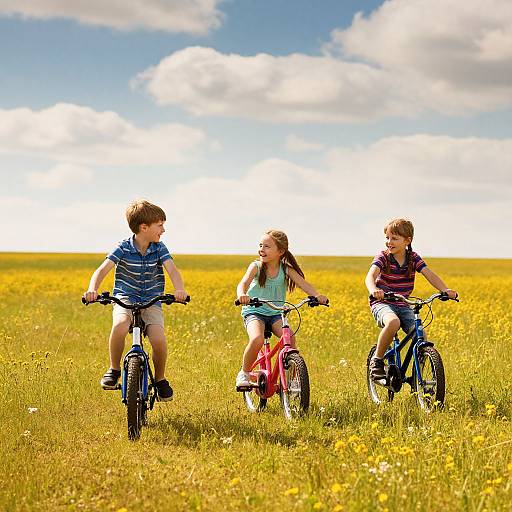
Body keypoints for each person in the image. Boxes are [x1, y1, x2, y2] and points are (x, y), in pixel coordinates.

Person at [82, 199, 188, 401]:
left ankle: (160, 378)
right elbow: (103, 269)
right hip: (125, 297)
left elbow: (172, 270)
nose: (163, 230)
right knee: (120, 325)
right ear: (144, 227)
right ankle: (114, 369)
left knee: (158, 339)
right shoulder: (123, 247)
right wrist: (92, 289)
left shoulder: (159, 248)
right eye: (160, 225)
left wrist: (180, 289)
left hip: (152, 298)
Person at [365, 218, 457, 381]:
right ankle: (377, 361)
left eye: (394, 238)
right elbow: (370, 276)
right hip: (382, 303)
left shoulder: (413, 258)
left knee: (420, 333)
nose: (389, 242)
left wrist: (445, 290)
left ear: (408, 240)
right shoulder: (383, 257)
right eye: (387, 238)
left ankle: (417, 375)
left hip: (403, 303)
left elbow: (429, 274)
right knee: (393, 323)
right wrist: (374, 290)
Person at [235, 229, 328, 388]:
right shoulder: (256, 266)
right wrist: (242, 294)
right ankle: (244, 373)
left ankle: (291, 378)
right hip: (254, 311)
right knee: (257, 338)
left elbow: (303, 284)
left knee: (290, 338)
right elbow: (243, 283)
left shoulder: (285, 269)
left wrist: (317, 296)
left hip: (275, 313)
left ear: (281, 251)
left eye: (267, 246)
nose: (261, 249)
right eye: (260, 245)